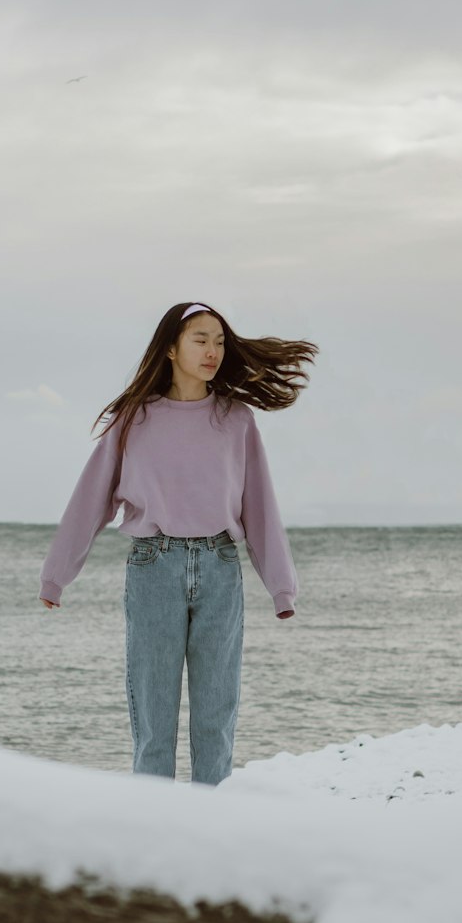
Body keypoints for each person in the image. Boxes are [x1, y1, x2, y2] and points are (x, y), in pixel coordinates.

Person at [39, 301, 318, 785]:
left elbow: (260, 508)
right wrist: (56, 575)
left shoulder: (237, 419)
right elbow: (90, 499)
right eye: (200, 340)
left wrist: (281, 586)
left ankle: (209, 830)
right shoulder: (133, 419)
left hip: (220, 567)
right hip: (154, 566)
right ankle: (154, 827)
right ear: (170, 348)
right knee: (153, 719)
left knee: (216, 716)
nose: (213, 351)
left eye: (220, 341)